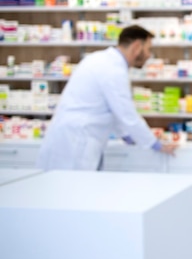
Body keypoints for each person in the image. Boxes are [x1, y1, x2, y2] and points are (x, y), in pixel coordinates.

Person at [37, 24, 177, 171]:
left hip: (72, 136)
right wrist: (155, 144)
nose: (149, 55)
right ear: (137, 47)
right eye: (148, 49)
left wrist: (127, 136)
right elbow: (127, 114)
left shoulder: (100, 60)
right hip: (76, 141)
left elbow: (113, 110)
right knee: (72, 189)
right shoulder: (113, 70)